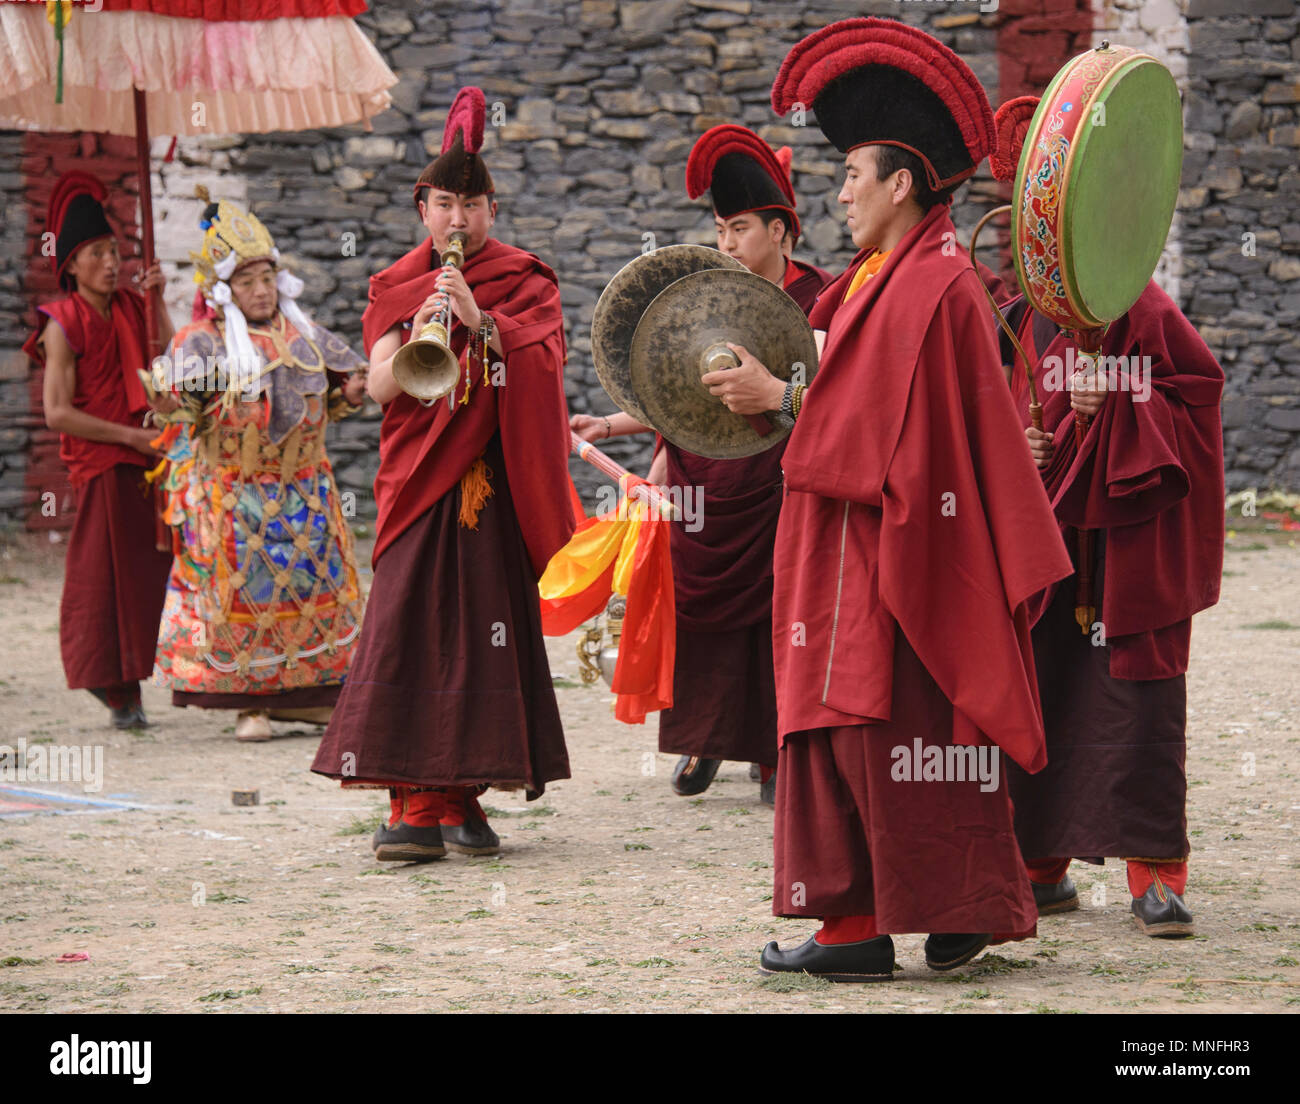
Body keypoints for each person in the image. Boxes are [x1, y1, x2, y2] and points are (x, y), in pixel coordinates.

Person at [711, 18, 1072, 981]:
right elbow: (854, 386)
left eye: (852, 177)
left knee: (889, 731)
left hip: (901, 556)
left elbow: (904, 433)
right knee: (892, 734)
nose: (837, 194)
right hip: (855, 548)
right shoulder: (888, 277)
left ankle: (880, 925)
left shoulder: (937, 287)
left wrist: (782, 399)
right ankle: (920, 918)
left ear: (902, 183)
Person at [310, 87, 576, 861]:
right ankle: (414, 801)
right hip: (419, 486)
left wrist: (482, 323)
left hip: (489, 488)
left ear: (492, 210)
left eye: (473, 204)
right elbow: (383, 386)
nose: (458, 220)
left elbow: (543, 360)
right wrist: (428, 317)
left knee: (484, 634)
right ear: (421, 208)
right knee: (410, 629)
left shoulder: (525, 279)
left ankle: (461, 793)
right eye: (444, 204)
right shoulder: (395, 285)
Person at [987, 97, 1226, 938]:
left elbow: (1194, 402)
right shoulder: (1017, 315)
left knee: (1139, 706)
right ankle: (1041, 868)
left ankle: (1156, 873)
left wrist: (1122, 397)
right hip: (1052, 541)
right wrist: (1027, 448)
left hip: (1128, 546)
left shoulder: (1143, 306)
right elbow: (1000, 421)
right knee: (1044, 692)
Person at [572, 125, 830, 803]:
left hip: (781, 482)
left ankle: (779, 750)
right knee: (702, 613)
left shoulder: (821, 301)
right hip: (704, 476)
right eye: (718, 230)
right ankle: (708, 738)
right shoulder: (705, 292)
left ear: (780, 230)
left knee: (782, 611)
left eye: (739, 229)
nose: (725, 245)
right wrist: (609, 422)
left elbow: (829, 395)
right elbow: (674, 390)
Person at [151, 190, 368, 741]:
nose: (261, 290)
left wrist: (357, 390)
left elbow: (342, 392)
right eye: (246, 282)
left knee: (310, 593)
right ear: (224, 290)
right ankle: (251, 704)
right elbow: (184, 407)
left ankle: (306, 699)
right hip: (234, 496)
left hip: (308, 492)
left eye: (267, 278)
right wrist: (169, 404)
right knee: (249, 595)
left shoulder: (306, 335)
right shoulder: (201, 341)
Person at [23, 172, 174, 729]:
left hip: (147, 457)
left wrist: (157, 302)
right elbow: (57, 413)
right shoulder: (62, 324)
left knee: (141, 572)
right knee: (100, 575)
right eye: (96, 253)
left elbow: (168, 360)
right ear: (71, 264)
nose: (111, 263)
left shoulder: (134, 306)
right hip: (105, 460)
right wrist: (132, 437)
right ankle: (106, 679)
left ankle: (128, 682)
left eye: (113, 250)